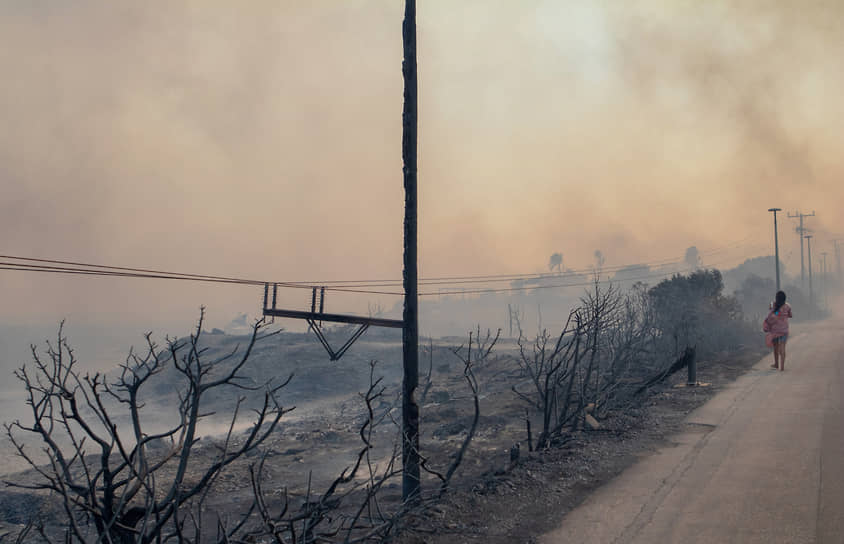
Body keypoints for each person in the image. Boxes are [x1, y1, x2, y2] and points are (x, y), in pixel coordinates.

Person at [763, 290, 792, 371]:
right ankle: (782, 367)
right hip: (784, 330)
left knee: (775, 347)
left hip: (775, 330)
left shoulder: (773, 304)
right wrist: (784, 314)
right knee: (783, 347)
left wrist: (776, 312)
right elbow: (790, 315)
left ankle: (776, 364)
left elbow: (771, 311)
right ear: (785, 298)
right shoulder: (787, 306)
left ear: (776, 298)